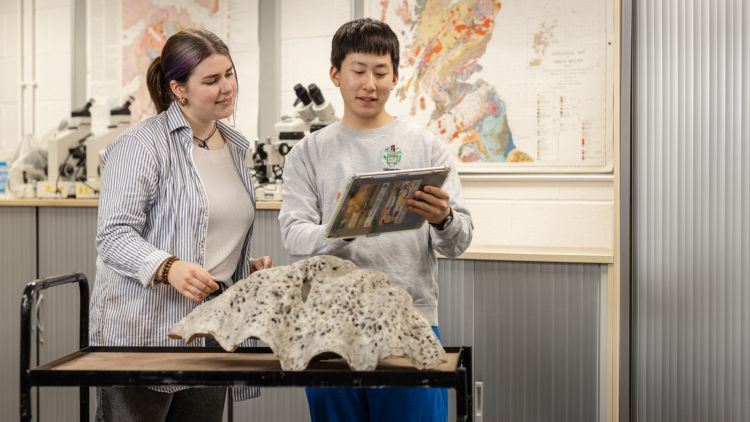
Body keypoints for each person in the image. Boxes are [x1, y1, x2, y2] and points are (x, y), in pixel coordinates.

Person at [278, 18, 473, 422]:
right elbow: (293, 234)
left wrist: (444, 219)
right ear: (335, 74)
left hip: (409, 319)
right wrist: (339, 229)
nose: (370, 83)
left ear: (395, 77)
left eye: (381, 72)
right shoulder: (308, 153)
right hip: (328, 327)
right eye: (359, 71)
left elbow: (458, 241)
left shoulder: (427, 148)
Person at [90, 28, 272, 422]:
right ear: (179, 89)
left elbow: (206, 228)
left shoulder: (236, 147)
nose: (227, 88)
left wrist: (244, 267)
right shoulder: (141, 145)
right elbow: (113, 235)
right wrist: (169, 268)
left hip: (209, 334)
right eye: (211, 80)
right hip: (144, 333)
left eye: (229, 74)